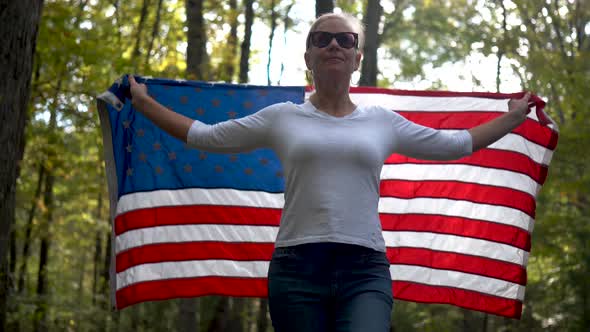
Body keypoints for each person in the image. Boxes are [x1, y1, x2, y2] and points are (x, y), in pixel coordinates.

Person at [128, 12, 531, 332]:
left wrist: (511, 120)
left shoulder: (382, 122)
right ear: (308, 58)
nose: (334, 44)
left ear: (357, 58)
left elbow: (454, 144)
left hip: (365, 269)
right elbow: (206, 136)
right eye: (322, 39)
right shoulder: (281, 118)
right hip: (296, 268)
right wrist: (144, 106)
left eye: (346, 40)